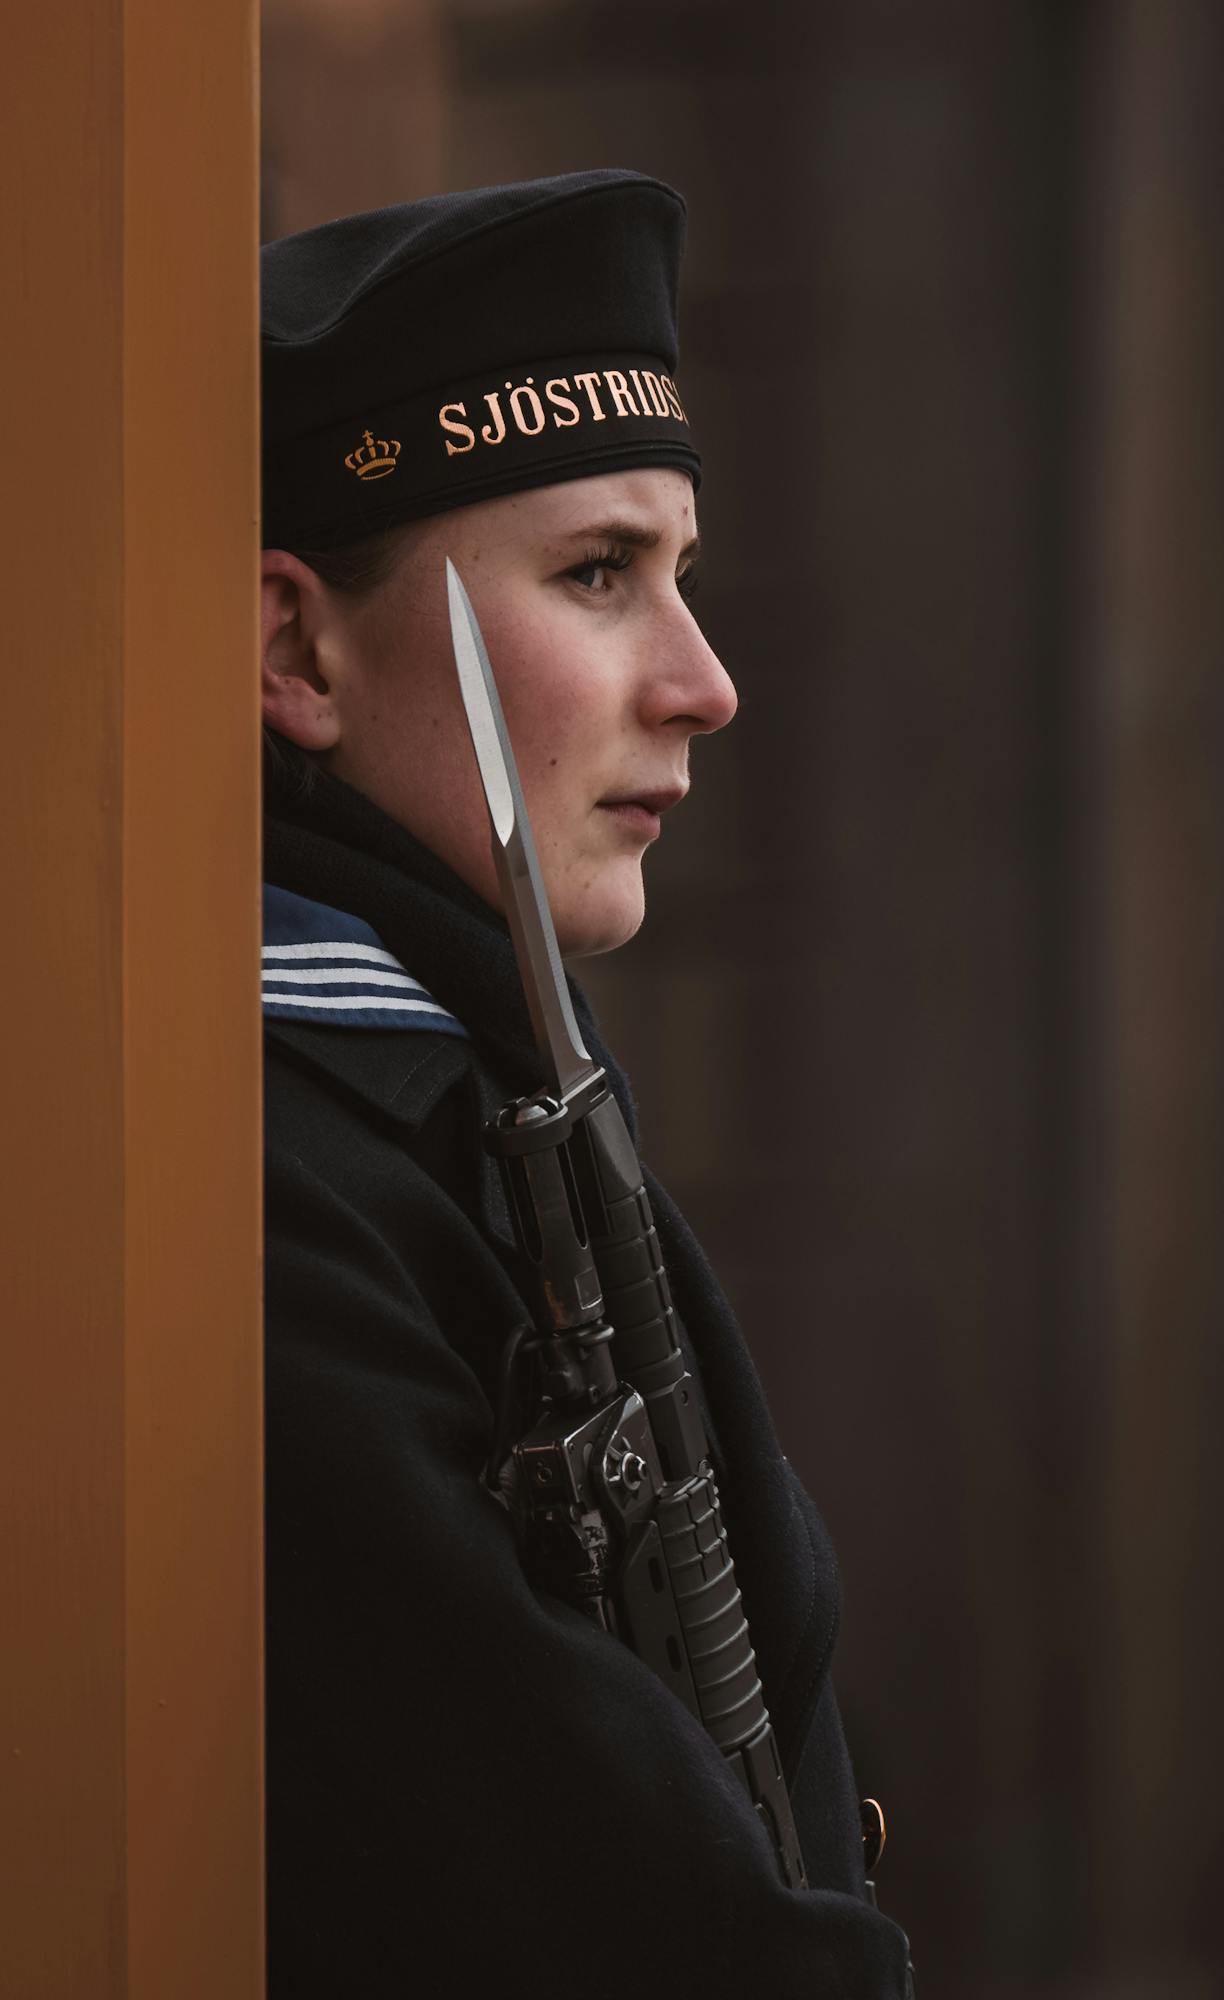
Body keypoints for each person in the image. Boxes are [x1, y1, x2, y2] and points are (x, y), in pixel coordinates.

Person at [258, 170, 913, 1996]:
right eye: (599, 572)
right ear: (293, 648)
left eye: (679, 575)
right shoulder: (252, 1167)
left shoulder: (487, 1089)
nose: (703, 683)